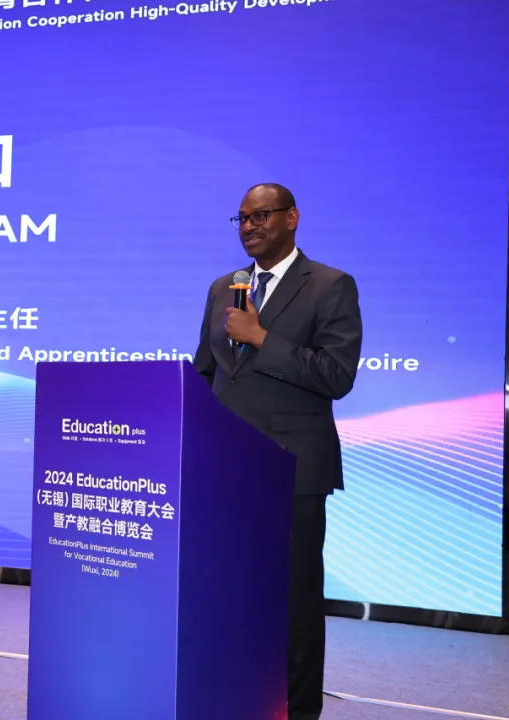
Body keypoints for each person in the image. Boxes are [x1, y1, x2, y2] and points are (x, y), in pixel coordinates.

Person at [192, 183, 363, 720]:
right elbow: (206, 372)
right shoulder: (225, 287)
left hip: (293, 469)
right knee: (230, 593)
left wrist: (262, 337)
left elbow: (336, 376)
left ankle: (297, 711)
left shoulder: (330, 285)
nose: (249, 226)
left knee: (293, 602)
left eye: (261, 216)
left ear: (292, 218)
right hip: (227, 468)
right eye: (242, 219)